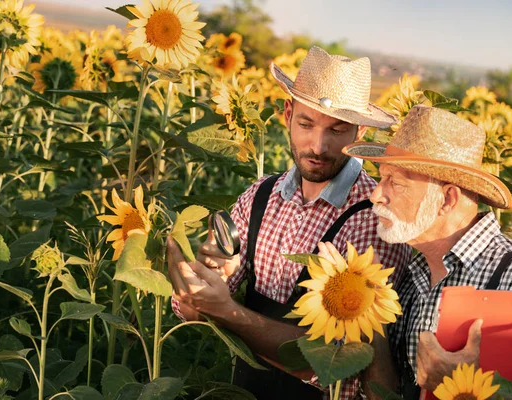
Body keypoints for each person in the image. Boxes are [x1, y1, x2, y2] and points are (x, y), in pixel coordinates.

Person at [166, 46, 411, 400]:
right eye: (306, 124)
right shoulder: (259, 197)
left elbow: (339, 362)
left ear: (358, 133)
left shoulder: (374, 217)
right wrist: (196, 290)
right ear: (287, 114)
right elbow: (197, 310)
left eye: (337, 131)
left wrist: (227, 310)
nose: (318, 145)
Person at [342, 104, 512, 399]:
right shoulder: (411, 277)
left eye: (396, 182)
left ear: (447, 199)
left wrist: (470, 392)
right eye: (381, 178)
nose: (376, 194)